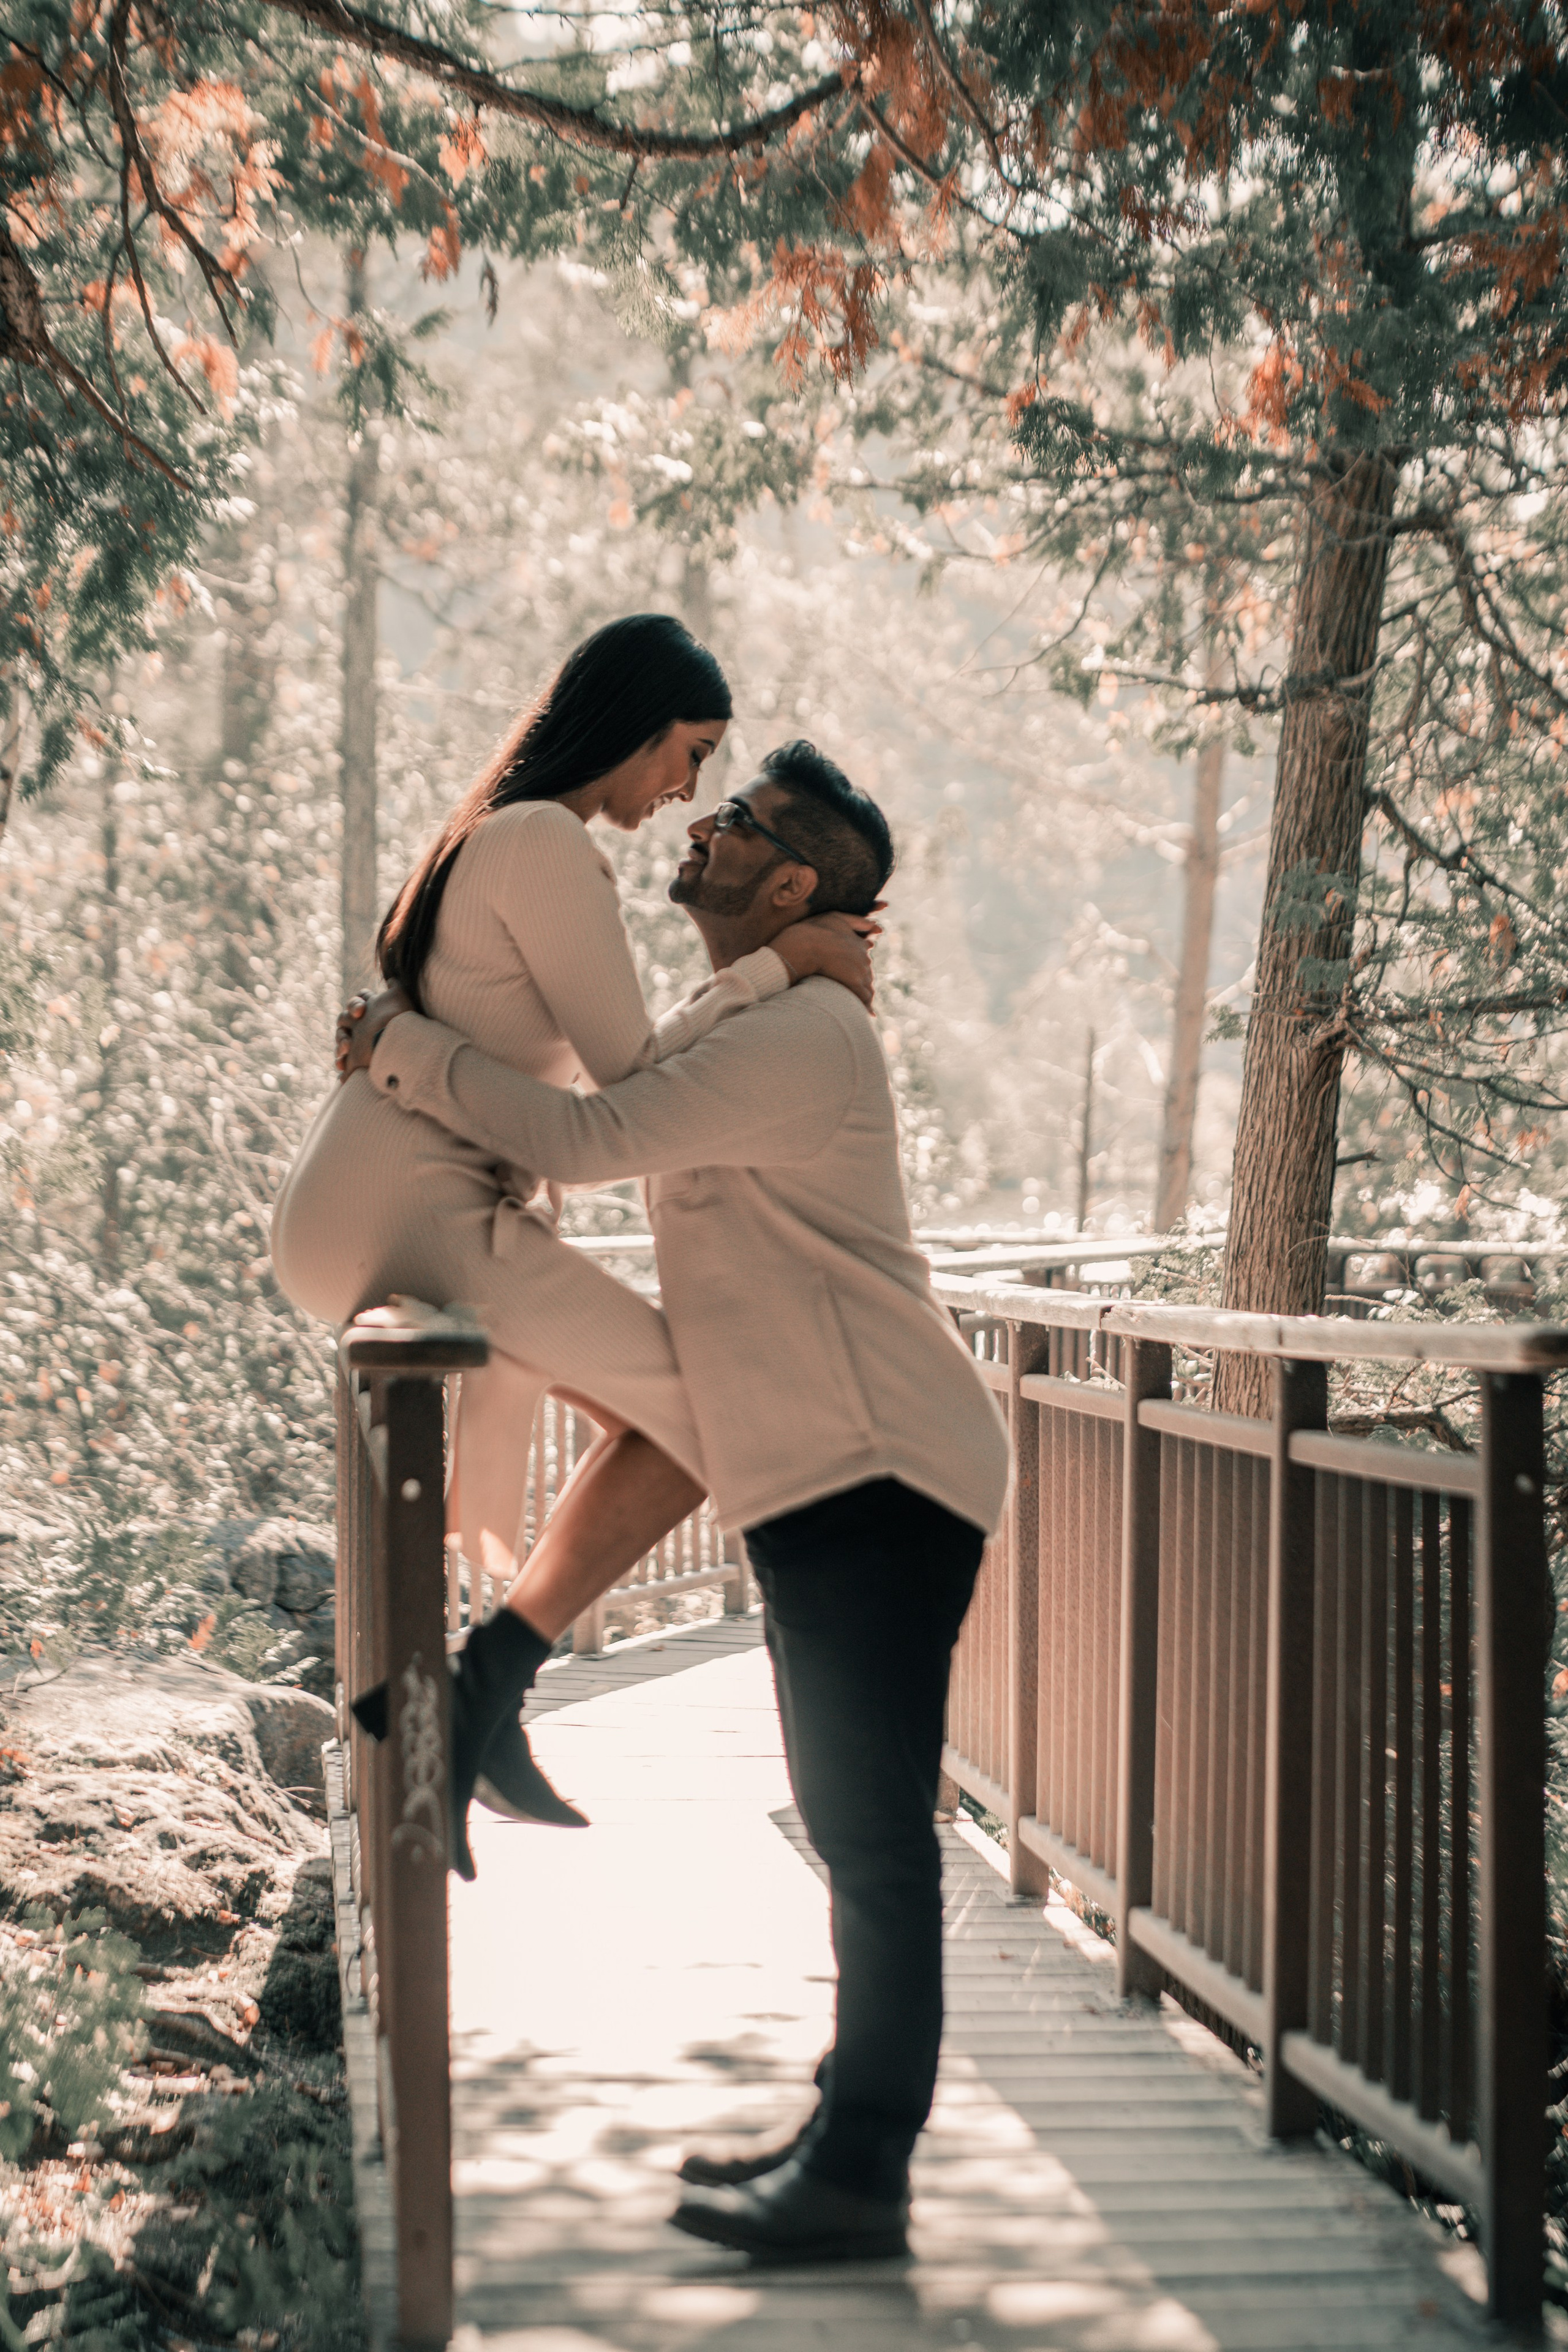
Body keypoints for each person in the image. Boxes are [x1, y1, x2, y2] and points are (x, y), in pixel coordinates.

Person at [336, 741, 1011, 2263]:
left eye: (741, 822)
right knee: (859, 1826)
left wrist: (398, 1047)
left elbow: (586, 1135)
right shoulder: (758, 1008)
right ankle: (845, 2122)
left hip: (880, 1467)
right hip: (825, 1464)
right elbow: (634, 1091)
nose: (699, 830)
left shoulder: (807, 1041)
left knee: (871, 1833)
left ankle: (860, 2180)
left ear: (786, 884)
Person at [270, 619, 873, 1872]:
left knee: (680, 1417)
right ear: (640, 723)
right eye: (690, 755)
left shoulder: (502, 834)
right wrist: (782, 967)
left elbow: (580, 1088)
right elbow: (629, 1086)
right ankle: (470, 1694)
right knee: (703, 1415)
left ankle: (472, 1694)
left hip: (397, 1195)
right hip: (412, 1206)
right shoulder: (544, 843)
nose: (687, 792)